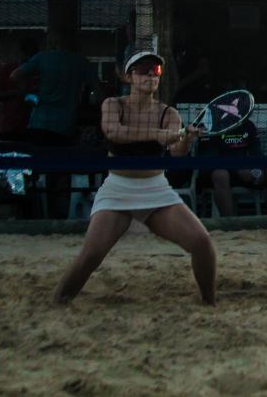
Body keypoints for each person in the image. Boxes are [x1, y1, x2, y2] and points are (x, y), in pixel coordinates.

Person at [53, 51, 216, 305]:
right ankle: (59, 301)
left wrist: (185, 139)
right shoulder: (113, 105)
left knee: (202, 242)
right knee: (91, 255)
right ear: (129, 76)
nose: (150, 74)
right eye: (143, 69)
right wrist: (158, 135)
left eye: (156, 71)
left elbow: (177, 154)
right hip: (118, 187)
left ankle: (209, 303)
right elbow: (114, 132)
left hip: (156, 188)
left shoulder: (169, 113)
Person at [17, 35, 100, 217]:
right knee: (59, 173)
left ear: (54, 42)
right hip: (63, 125)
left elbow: (15, 75)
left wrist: (28, 94)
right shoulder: (80, 62)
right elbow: (97, 91)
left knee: (34, 171)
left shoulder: (42, 58)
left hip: (38, 123)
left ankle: (33, 212)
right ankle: (55, 212)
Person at [204, 116, 267, 216]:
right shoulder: (213, 127)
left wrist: (257, 170)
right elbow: (211, 159)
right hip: (223, 173)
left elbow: (257, 153)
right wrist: (238, 170)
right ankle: (229, 224)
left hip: (246, 171)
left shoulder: (248, 125)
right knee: (220, 174)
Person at [0, 36, 40, 142]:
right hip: (9, 126)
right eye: (26, 54)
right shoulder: (6, 69)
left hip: (31, 127)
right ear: (20, 53)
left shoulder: (38, 72)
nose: (28, 59)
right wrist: (17, 93)